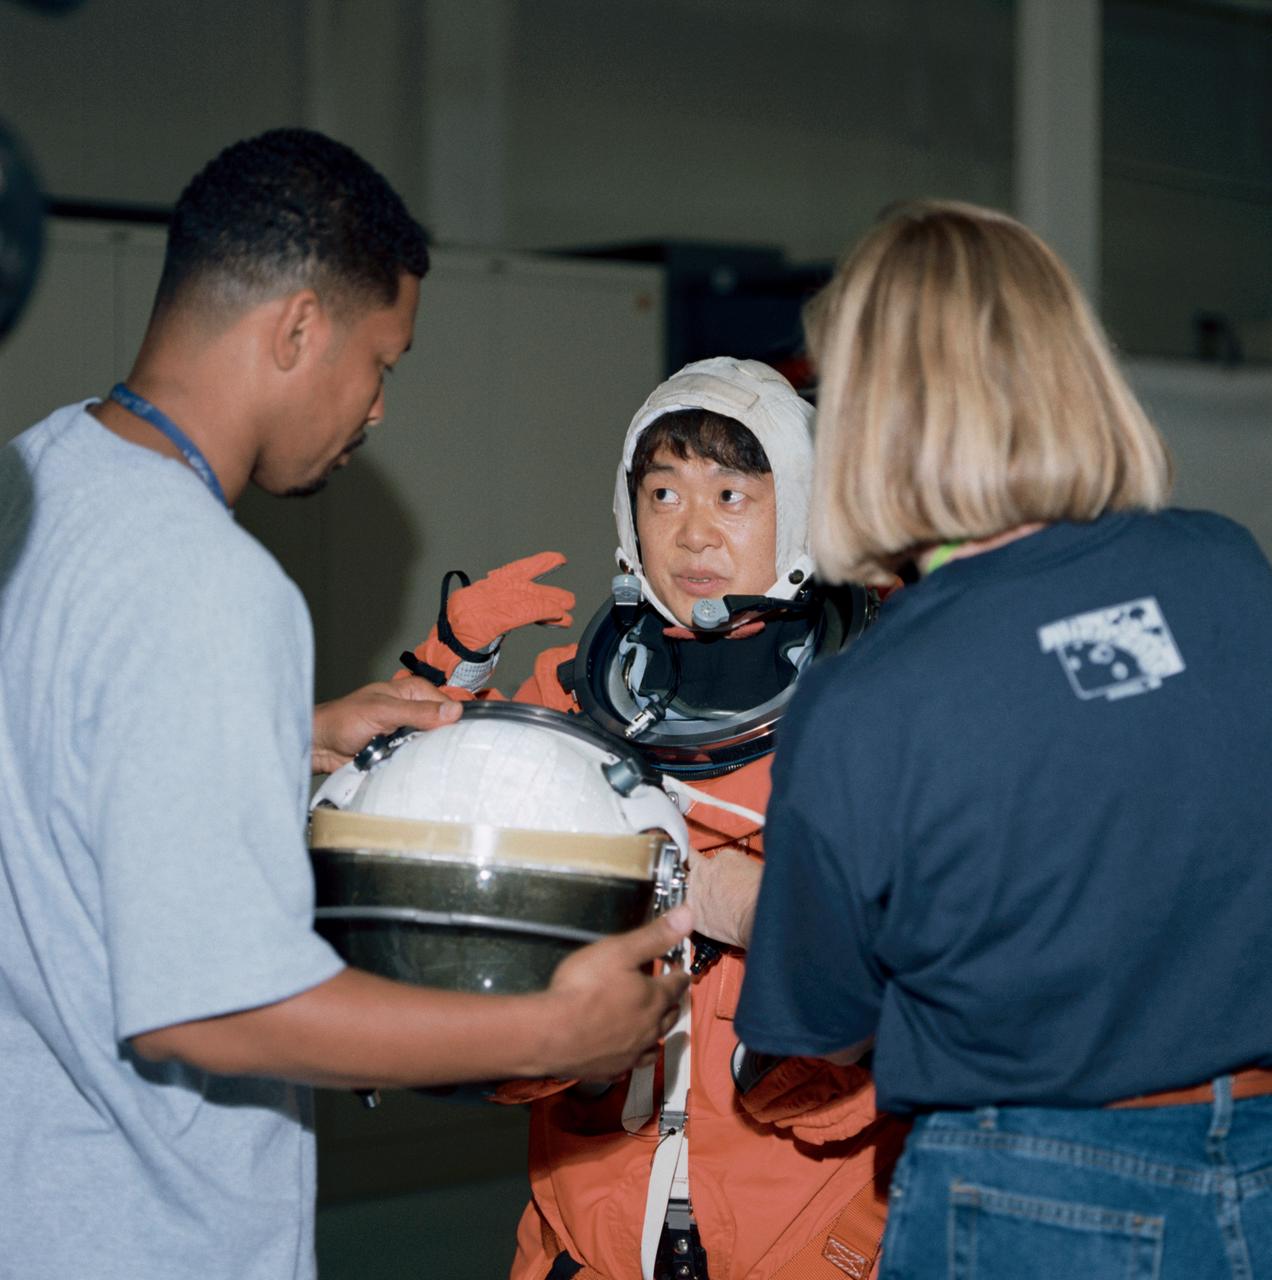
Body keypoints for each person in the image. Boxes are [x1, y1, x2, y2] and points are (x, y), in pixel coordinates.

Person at [0, 128, 689, 1280]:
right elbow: (206, 1008)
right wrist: (548, 1029)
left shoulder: (37, 484)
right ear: (300, 327)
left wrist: (285, 737)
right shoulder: (212, 584)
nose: (374, 411)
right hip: (146, 1235)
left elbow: (53, 779)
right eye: (383, 362)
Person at [734, 200, 1272, 1278]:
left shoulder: (868, 695)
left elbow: (823, 1025)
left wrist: (718, 902)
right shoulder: (1230, 569)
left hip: (1032, 1193)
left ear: (871, 415)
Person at [401, 356, 911, 1280]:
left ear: (797, 507)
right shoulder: (569, 701)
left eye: (731, 494)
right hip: (583, 1238)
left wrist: (763, 949)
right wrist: (452, 664)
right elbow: (419, 832)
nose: (694, 531)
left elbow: (924, 996)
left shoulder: (880, 719)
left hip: (806, 1239)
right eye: (664, 494)